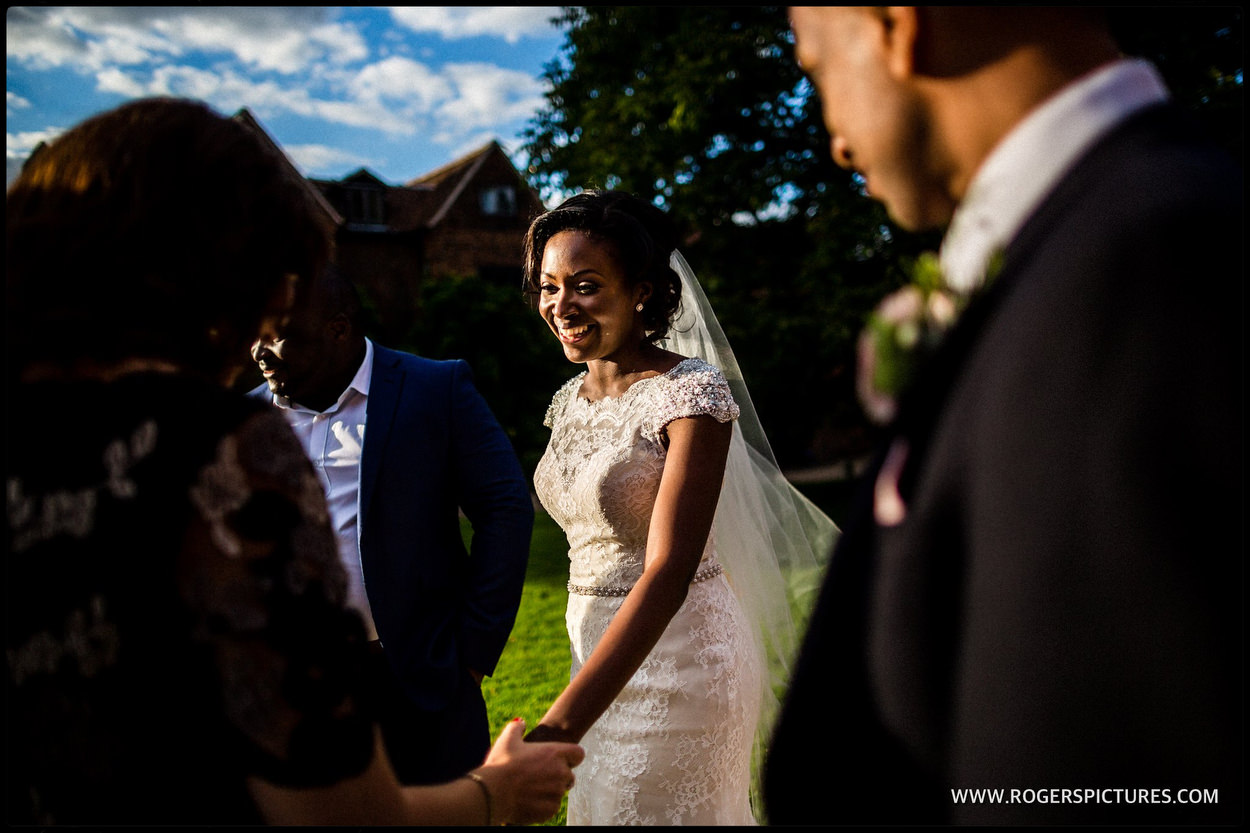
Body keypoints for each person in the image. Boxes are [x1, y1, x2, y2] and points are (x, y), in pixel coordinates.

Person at [5, 96, 582, 826]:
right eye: (271, 268)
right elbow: (338, 815)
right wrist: (496, 791)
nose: (277, 309)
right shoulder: (219, 445)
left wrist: (466, 650)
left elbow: (502, 507)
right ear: (193, 270)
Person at [766, 7, 1242, 825]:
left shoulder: (1154, 266)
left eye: (817, 69)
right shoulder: (1084, 246)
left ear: (896, 25)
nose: (836, 141)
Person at [520, 190, 837, 825]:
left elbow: (667, 572)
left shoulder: (691, 394)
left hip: (684, 662)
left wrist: (559, 726)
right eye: (549, 287)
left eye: (584, 285)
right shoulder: (566, 401)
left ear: (642, 291)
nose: (561, 306)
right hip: (596, 659)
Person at [249, 264, 533, 786]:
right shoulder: (243, 420)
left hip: (418, 678)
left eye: (276, 335)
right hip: (292, 689)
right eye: (255, 333)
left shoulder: (435, 387)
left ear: (337, 327)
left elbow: (505, 508)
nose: (258, 351)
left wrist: (472, 650)